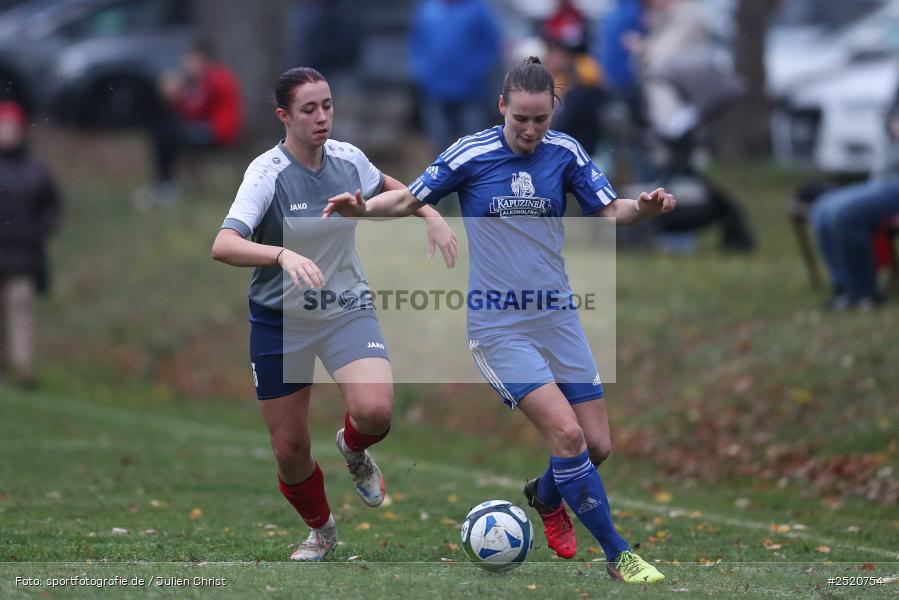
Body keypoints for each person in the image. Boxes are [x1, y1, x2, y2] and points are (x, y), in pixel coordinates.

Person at [324, 57, 675, 584]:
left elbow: (607, 213)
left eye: (541, 120)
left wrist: (643, 208)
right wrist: (363, 210)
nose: (532, 131)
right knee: (569, 437)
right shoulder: (472, 152)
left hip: (558, 317)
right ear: (502, 108)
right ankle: (619, 555)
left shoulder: (567, 152)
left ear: (552, 111)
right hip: (499, 327)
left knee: (597, 446)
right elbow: (410, 198)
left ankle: (546, 495)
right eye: (522, 121)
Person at [211, 67, 457, 561]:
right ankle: (321, 530)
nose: (322, 117)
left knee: (376, 412)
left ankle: (352, 447)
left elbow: (395, 187)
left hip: (344, 306)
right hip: (280, 321)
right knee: (290, 451)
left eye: (327, 105)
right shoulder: (266, 174)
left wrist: (429, 213)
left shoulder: (348, 159)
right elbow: (224, 244)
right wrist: (281, 255)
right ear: (284, 116)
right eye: (309, 109)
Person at [811, 84, 899, 310]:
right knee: (822, 208)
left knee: (846, 214)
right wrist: (892, 124)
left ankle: (865, 293)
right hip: (887, 178)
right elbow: (890, 114)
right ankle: (845, 289)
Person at [136, 39, 242, 208]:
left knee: (167, 135)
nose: (187, 65)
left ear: (204, 59)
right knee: (163, 130)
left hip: (218, 132)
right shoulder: (208, 79)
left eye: (191, 60)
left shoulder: (216, 79)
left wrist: (178, 94)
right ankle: (163, 183)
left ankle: (165, 186)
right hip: (210, 128)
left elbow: (195, 108)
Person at [0, 100, 61, 389]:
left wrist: (40, 231)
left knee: (20, 308)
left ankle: (23, 368)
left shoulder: (37, 169)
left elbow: (52, 206)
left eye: (11, 126)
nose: (6, 132)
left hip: (22, 255)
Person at [408, 0, 502, 153]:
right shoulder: (428, 9)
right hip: (434, 90)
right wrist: (422, 72)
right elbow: (416, 43)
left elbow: (491, 46)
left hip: (470, 92)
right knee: (439, 144)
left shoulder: (478, 10)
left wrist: (476, 72)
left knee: (474, 145)